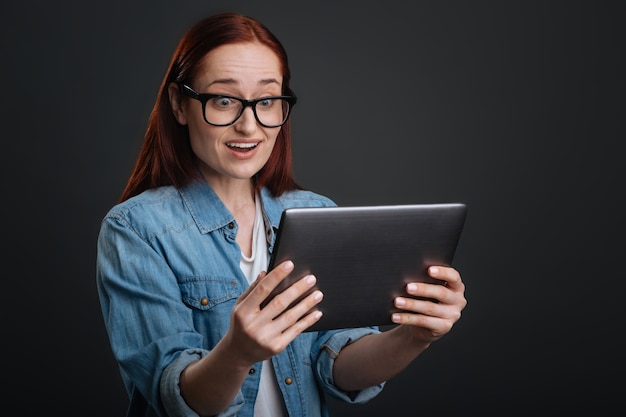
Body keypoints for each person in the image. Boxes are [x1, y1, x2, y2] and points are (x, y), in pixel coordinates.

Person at [96, 11, 467, 417]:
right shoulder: (136, 230)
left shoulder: (316, 213)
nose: (249, 125)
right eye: (224, 100)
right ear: (179, 105)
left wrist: (414, 336)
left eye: (267, 101)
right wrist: (237, 353)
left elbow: (339, 367)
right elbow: (175, 397)